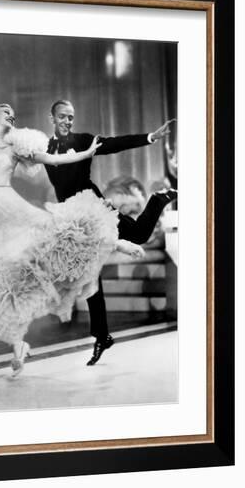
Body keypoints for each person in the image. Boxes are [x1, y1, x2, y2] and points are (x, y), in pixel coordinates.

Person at [0, 103, 145, 377]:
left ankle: (115, 242)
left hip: (14, 210)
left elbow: (52, 160)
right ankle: (19, 345)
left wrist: (85, 153)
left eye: (13, 113)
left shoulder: (14, 148)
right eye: (5, 110)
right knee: (2, 285)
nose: (11, 114)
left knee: (59, 232)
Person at [44, 100, 177, 366]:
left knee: (138, 236)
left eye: (71, 117)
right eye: (63, 117)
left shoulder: (83, 140)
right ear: (52, 119)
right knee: (89, 273)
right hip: (72, 218)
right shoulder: (45, 148)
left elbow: (115, 143)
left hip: (94, 210)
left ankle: (159, 200)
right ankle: (102, 335)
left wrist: (151, 137)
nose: (67, 121)